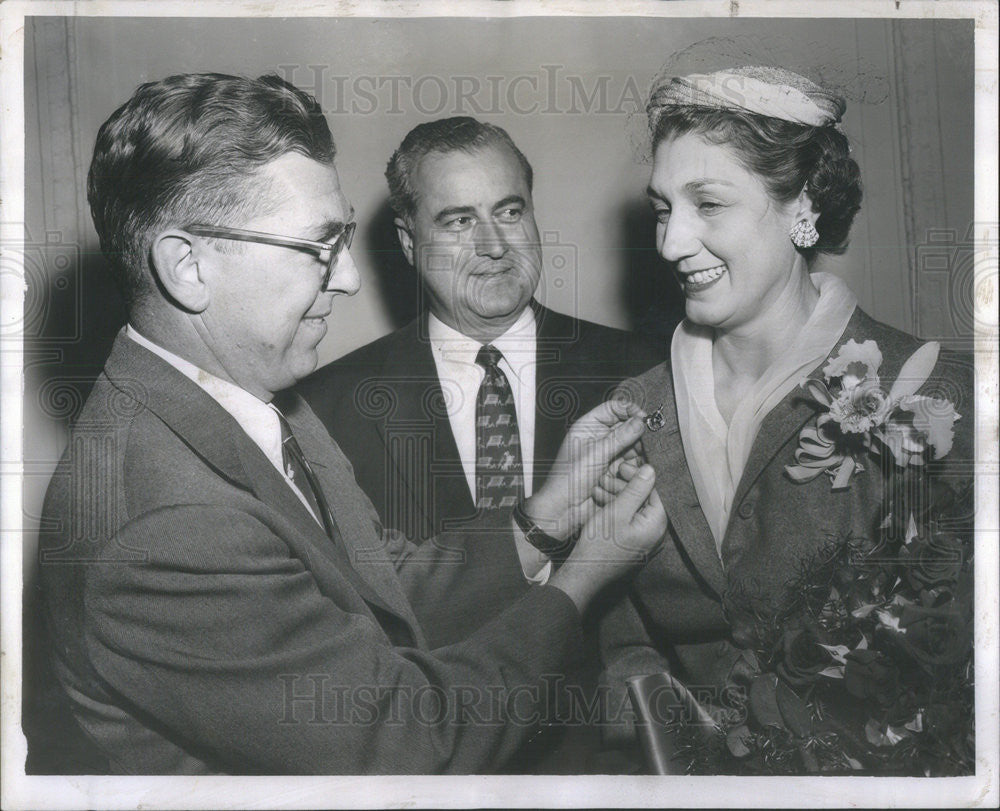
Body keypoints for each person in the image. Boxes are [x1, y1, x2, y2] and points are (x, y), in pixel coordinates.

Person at [32, 73, 668, 775]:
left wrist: (543, 519)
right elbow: (408, 738)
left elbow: (385, 590)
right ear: (187, 266)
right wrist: (577, 582)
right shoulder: (166, 529)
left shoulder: (259, 404)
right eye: (316, 246)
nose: (349, 279)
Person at [595, 66, 974, 769]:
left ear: (801, 205)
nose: (670, 243)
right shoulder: (631, 412)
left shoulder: (930, 392)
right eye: (661, 208)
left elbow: (953, 653)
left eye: (708, 204)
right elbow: (616, 638)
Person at [297, 117, 663, 647]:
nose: (495, 245)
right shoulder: (325, 409)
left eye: (510, 212)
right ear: (408, 242)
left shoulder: (644, 371)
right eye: (459, 222)